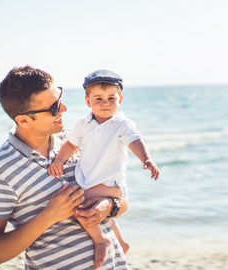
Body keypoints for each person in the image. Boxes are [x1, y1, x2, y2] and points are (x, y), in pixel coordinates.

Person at [0, 65, 129, 270]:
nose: (64, 109)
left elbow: (122, 198)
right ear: (23, 120)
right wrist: (49, 216)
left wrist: (108, 207)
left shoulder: (77, 139)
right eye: (54, 108)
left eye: (60, 99)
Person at [48, 69, 159, 268]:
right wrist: (59, 161)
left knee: (80, 207)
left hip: (110, 182)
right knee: (95, 211)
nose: (105, 103)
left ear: (120, 99)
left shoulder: (122, 124)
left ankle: (101, 240)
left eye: (111, 98)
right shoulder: (83, 123)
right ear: (88, 101)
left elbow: (136, 141)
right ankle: (120, 240)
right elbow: (71, 145)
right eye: (98, 98)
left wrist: (147, 159)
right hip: (91, 181)